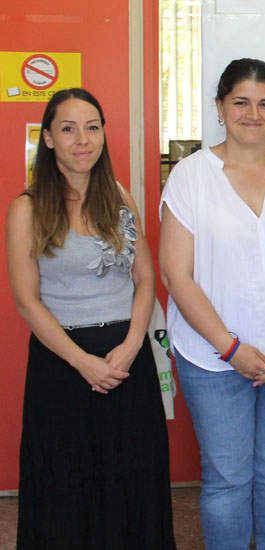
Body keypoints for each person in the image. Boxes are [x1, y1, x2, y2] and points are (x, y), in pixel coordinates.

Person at [159, 58, 265, 549]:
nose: (252, 114)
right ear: (220, 106)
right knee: (228, 481)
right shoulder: (191, 176)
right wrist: (231, 348)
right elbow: (177, 273)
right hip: (213, 360)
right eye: (241, 102)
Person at [7, 88, 174, 549]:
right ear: (48, 140)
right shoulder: (27, 208)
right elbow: (27, 301)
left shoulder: (118, 196)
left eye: (92, 127)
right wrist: (83, 362)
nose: (82, 140)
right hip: (63, 365)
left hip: (127, 358)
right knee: (66, 488)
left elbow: (145, 277)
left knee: (133, 483)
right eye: (68, 129)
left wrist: (132, 343)